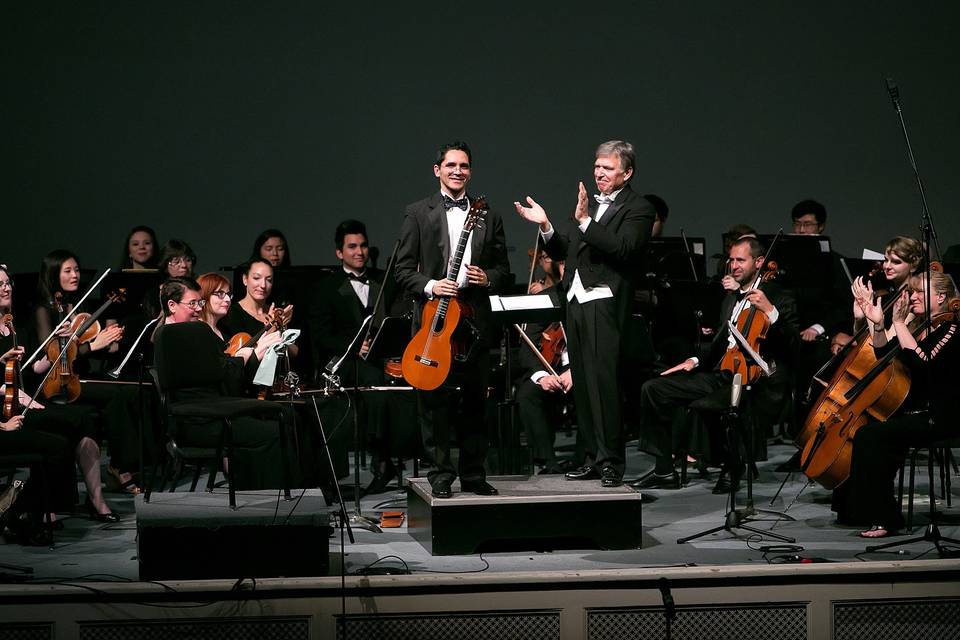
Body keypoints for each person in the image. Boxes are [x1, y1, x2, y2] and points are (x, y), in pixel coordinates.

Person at [515, 140, 655, 487]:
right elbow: (567, 250)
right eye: (597, 167)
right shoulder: (588, 208)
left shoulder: (639, 208)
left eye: (607, 168)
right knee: (584, 387)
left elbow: (623, 249)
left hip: (604, 302)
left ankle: (611, 462)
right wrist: (546, 226)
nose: (599, 173)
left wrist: (586, 221)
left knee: (604, 385)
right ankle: (592, 457)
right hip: (576, 302)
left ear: (627, 172)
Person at [633, 236, 799, 491]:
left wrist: (770, 311)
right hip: (723, 373)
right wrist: (694, 359)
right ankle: (664, 470)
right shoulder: (731, 298)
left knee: (716, 404)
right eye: (731, 259)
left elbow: (792, 343)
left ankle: (732, 464)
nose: (734, 265)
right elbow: (723, 342)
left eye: (740, 260)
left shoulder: (779, 295)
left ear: (759, 262)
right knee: (654, 388)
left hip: (756, 379)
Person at [395, 140, 511, 499]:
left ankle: (474, 475)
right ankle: (440, 475)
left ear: (470, 171)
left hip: (474, 318)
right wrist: (431, 285)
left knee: (476, 400)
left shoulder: (488, 215)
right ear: (437, 170)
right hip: (434, 317)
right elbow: (402, 270)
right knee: (435, 402)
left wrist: (487, 277)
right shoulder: (417, 213)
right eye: (451, 165)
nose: (457, 171)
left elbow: (504, 270)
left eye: (463, 166)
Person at [833, 269, 958, 538]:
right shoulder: (922, 327)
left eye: (919, 292)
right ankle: (855, 510)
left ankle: (886, 518)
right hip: (915, 412)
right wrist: (877, 324)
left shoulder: (952, 329)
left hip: (941, 415)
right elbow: (883, 354)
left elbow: (924, 362)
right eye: (911, 291)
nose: (912, 297)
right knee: (863, 429)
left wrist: (899, 323)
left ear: (941, 296)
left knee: (872, 436)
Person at [0, 263, 119, 525]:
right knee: (66, 429)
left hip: (27, 398)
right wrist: (17, 394)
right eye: (0, 285)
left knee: (84, 418)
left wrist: (59, 345)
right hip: (7, 406)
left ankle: (94, 500)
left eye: (8, 283)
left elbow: (33, 369)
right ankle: (39, 505)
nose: (6, 288)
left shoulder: (15, 326)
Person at [155, 277, 290, 489]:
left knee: (283, 416)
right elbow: (218, 373)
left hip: (211, 412)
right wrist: (245, 357)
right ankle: (267, 498)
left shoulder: (194, 332)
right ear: (171, 305)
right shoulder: (174, 336)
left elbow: (218, 371)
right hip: (197, 421)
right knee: (274, 431)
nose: (199, 309)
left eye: (200, 303)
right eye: (193, 304)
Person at [309, 219, 412, 494]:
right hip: (343, 362)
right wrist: (357, 348)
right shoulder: (325, 288)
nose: (359, 251)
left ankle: (406, 451)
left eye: (363, 245)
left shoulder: (384, 281)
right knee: (375, 382)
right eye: (352, 246)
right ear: (339, 253)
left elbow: (399, 318)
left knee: (408, 382)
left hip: (381, 358)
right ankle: (382, 460)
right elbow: (321, 337)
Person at [33, 250, 143, 495]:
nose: (75, 275)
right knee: (117, 395)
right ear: (53, 274)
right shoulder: (45, 308)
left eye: (77, 270)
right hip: (59, 382)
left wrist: (111, 339)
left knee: (130, 390)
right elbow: (52, 353)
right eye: (68, 271)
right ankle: (121, 468)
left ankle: (125, 465)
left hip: (82, 375)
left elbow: (99, 347)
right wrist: (94, 345)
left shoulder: (81, 305)